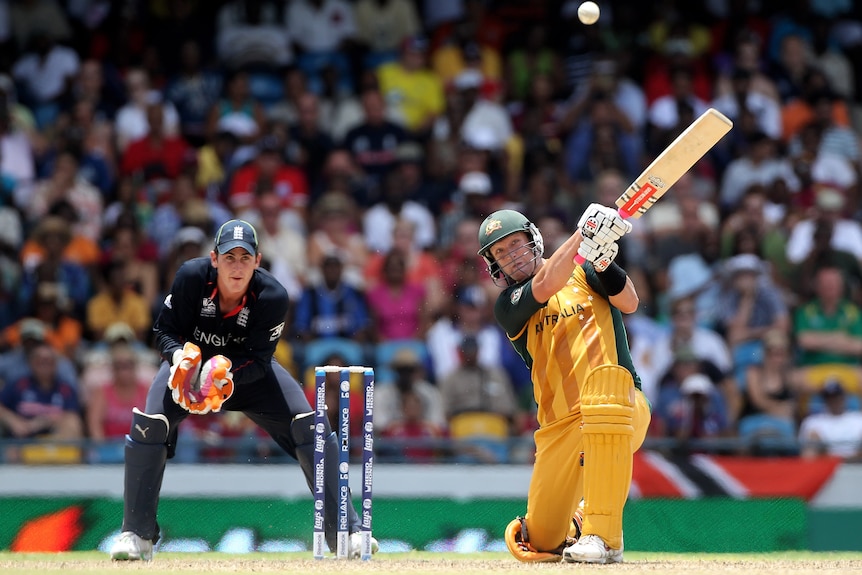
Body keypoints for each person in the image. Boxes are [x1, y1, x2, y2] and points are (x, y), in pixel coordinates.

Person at [108, 219, 377, 561]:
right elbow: (163, 331)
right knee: (150, 423)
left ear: (257, 261)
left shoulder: (272, 296)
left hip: (246, 373)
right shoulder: (192, 276)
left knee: (311, 425)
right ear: (214, 259)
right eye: (229, 257)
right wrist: (180, 360)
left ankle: (346, 531)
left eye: (244, 258)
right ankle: (136, 534)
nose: (237, 266)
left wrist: (222, 376)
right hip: (190, 372)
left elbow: (261, 360)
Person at [476, 207, 650, 564]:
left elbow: (630, 303)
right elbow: (546, 284)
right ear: (495, 266)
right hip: (558, 429)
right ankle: (578, 523)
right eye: (501, 253)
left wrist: (600, 259)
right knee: (541, 540)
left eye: (516, 244)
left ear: (533, 241)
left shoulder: (586, 271)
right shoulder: (509, 306)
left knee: (603, 420)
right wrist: (583, 236)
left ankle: (603, 536)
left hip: (619, 404)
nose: (512, 256)